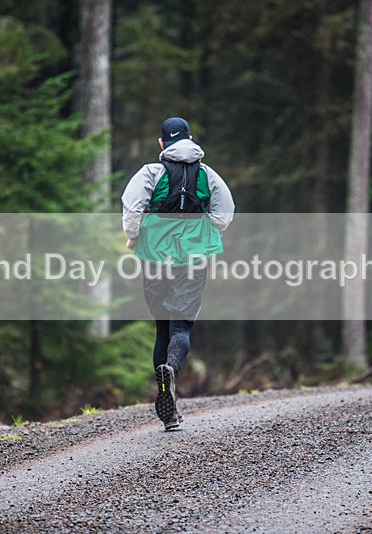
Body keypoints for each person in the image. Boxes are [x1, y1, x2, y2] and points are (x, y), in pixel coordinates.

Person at [121, 117, 235, 430]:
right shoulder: (207, 173)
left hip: (155, 251)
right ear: (191, 139)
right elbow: (225, 213)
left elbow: (132, 208)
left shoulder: (150, 172)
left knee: (161, 327)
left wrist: (133, 235)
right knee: (180, 326)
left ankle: (167, 405)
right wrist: (205, 229)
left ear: (161, 144)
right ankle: (172, 368)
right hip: (194, 255)